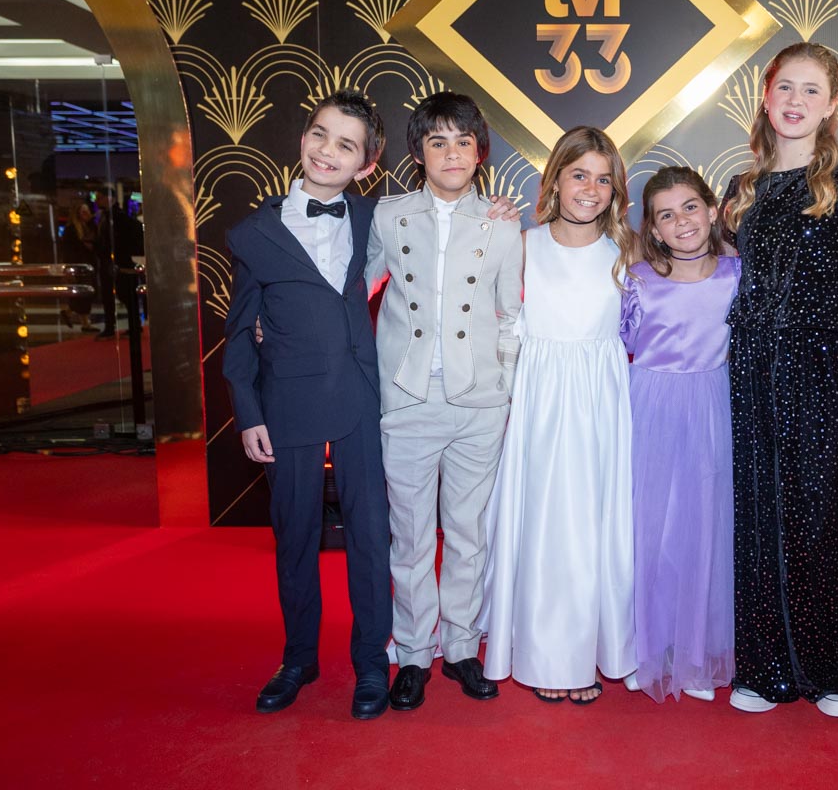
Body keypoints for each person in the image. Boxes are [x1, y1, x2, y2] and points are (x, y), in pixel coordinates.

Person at [720, 42, 838, 716]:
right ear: (766, 97)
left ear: (831, 106)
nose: (796, 100)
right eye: (785, 87)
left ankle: (826, 671)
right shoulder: (742, 189)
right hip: (747, 372)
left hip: (819, 370)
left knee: (819, 517)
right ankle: (763, 669)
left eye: (811, 90)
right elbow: (708, 280)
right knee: (757, 514)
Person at [221, 90, 393, 720]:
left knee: (370, 537)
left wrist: (497, 212)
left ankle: (371, 663)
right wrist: (248, 411)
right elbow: (238, 332)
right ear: (302, 139)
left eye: (346, 145)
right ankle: (298, 659)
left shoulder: (379, 219)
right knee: (294, 536)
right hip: (285, 401)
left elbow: (443, 226)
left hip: (360, 396)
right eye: (320, 134)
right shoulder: (254, 233)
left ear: (365, 165)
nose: (327, 151)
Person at [365, 91, 523, 711]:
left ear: (479, 152)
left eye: (463, 141)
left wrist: (503, 392)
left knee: (467, 534)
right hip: (407, 397)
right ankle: (412, 652)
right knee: (408, 537)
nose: (452, 153)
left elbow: (510, 315)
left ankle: (459, 647)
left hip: (478, 401)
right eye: (438, 142)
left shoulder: (503, 224)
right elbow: (353, 290)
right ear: (419, 153)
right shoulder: (388, 217)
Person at [481, 126, 638, 704]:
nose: (591, 189)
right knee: (547, 524)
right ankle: (548, 655)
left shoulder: (630, 252)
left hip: (602, 401)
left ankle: (593, 648)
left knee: (595, 527)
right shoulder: (521, 243)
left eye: (603, 179)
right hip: (540, 401)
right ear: (554, 180)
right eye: (579, 175)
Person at [619, 166, 739, 703]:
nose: (682, 221)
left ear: (712, 211)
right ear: (653, 228)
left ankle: (695, 653)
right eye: (666, 215)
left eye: (690, 207)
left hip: (713, 406)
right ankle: (645, 646)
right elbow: (619, 343)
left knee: (704, 526)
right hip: (650, 407)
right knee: (651, 528)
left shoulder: (738, 275)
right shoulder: (638, 280)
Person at [58, 201, 100, 332]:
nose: (86, 214)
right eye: (83, 212)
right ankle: (83, 322)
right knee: (84, 293)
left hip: (88, 264)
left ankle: (72, 314)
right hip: (78, 265)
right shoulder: (72, 229)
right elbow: (68, 251)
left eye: (88, 211)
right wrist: (69, 269)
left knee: (87, 293)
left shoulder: (89, 227)